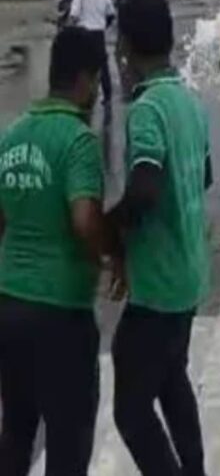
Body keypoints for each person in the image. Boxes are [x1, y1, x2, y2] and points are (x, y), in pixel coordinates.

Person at [0, 27, 113, 475]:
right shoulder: (78, 140)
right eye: (97, 80)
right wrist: (107, 256)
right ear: (85, 78)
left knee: (17, 432)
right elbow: (84, 220)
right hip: (61, 313)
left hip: (9, 306)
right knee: (69, 439)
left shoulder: (13, 135)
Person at [109, 0, 212, 476]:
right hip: (190, 275)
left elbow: (146, 187)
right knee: (171, 381)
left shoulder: (147, 109)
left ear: (126, 46)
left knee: (130, 411)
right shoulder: (189, 103)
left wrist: (109, 230)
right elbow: (203, 177)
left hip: (158, 286)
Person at [69, 0, 116, 105]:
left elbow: (74, 14)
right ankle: (107, 95)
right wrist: (104, 25)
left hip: (84, 32)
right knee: (102, 65)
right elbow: (111, 13)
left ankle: (83, 95)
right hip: (98, 33)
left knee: (83, 65)